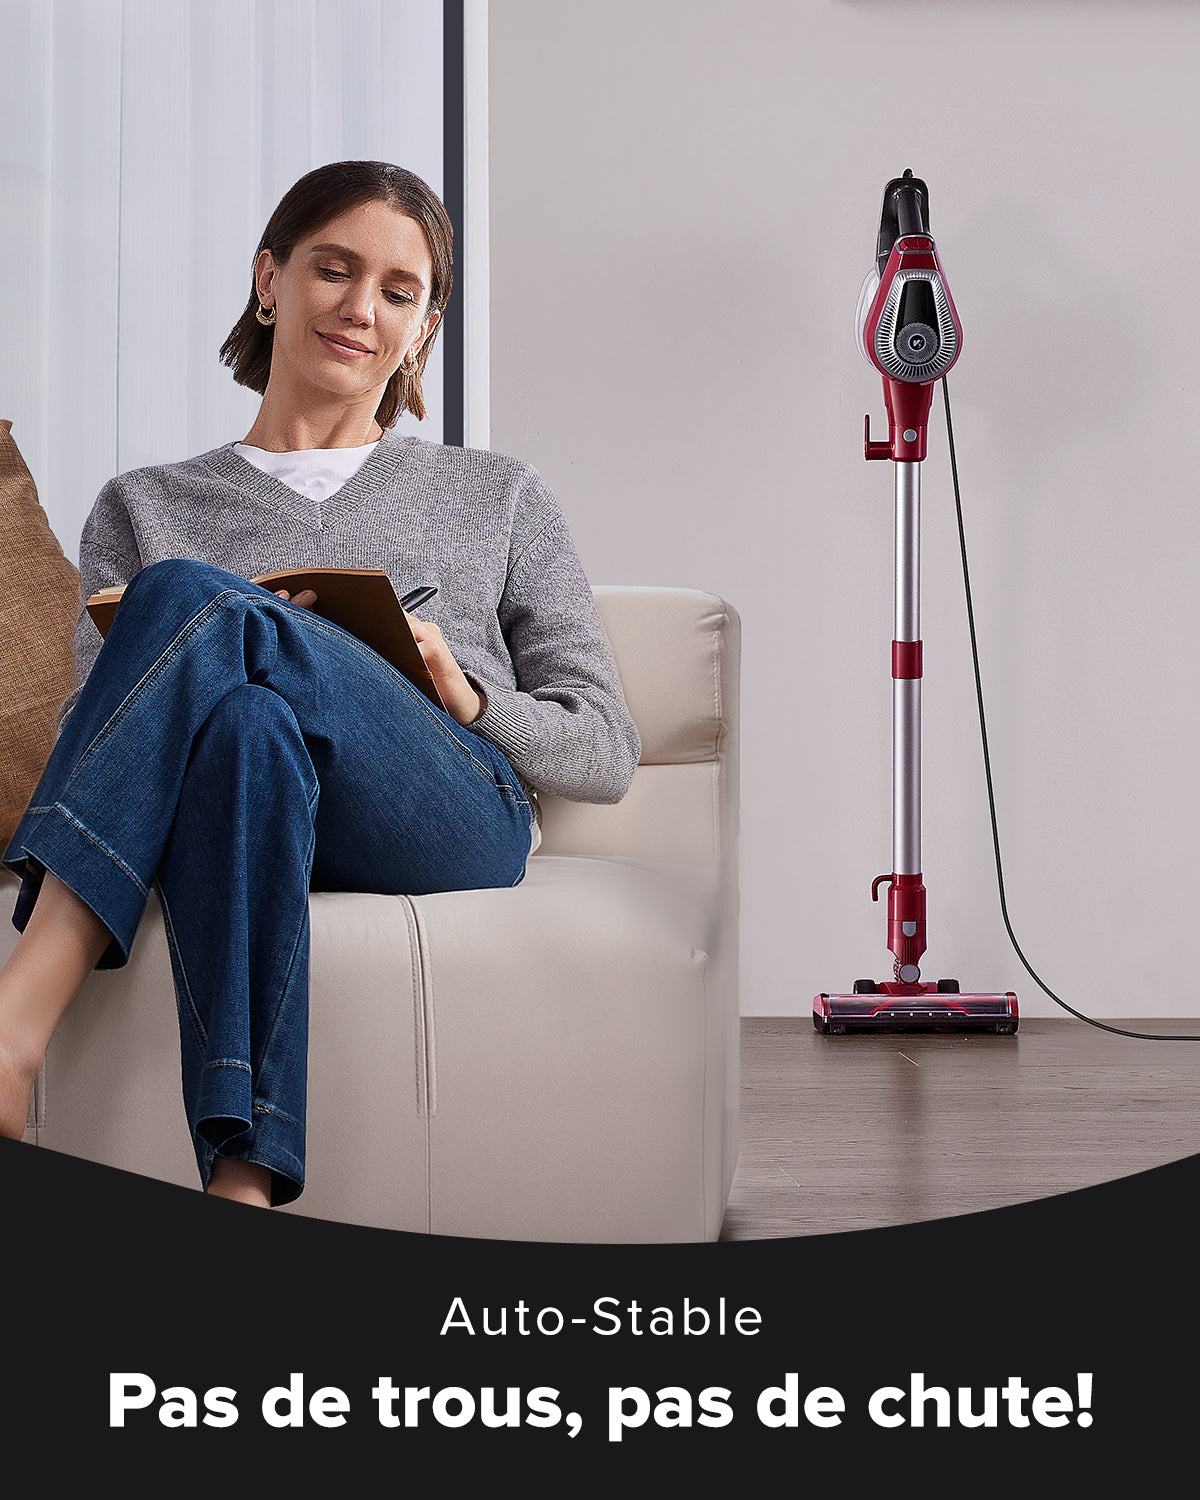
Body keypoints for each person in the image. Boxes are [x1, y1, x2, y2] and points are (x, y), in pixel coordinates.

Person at [0, 160, 639, 1208]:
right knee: (246, 716)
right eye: (333, 270)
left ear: (424, 327)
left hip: (445, 809)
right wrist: (233, 647)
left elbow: (605, 752)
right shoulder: (144, 503)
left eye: (398, 291)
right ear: (270, 280)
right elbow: (95, 732)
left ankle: (19, 1018)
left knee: (195, 604)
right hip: (243, 801)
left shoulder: (498, 496)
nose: (360, 308)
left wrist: (461, 689)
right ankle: (244, 1189)